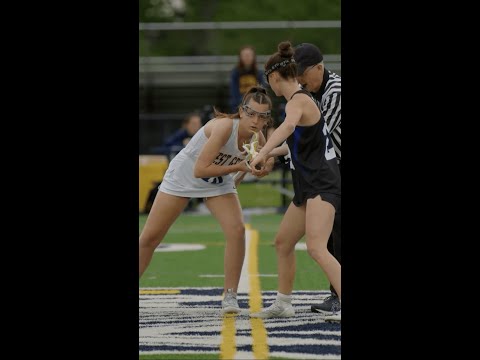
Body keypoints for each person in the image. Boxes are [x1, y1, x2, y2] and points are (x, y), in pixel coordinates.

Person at [139, 86, 275, 313]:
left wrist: (260, 168)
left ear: (266, 120)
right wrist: (240, 166)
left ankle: (230, 296)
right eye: (251, 113)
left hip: (219, 181)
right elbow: (200, 170)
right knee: (150, 238)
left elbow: (255, 165)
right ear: (241, 111)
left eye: (262, 116)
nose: (255, 120)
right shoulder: (223, 128)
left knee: (237, 230)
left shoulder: (257, 137)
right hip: (185, 175)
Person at [248, 41, 341, 322]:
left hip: (323, 184)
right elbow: (292, 143)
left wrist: (263, 152)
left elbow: (288, 127)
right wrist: (264, 154)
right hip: (307, 185)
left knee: (316, 247)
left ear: (275, 78)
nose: (270, 87)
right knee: (283, 242)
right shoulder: (298, 102)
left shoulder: (299, 101)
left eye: (269, 81)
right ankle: (283, 303)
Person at [293, 43, 342, 316]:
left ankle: (337, 295)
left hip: (335, 167)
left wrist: (276, 153)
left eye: (303, 73)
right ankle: (335, 294)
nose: (300, 79)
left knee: (336, 232)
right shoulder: (310, 91)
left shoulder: (335, 90)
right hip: (333, 167)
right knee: (333, 232)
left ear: (319, 68)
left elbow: (318, 134)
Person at [229, 45, 265, 112]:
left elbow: (262, 92)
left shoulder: (258, 73)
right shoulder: (235, 73)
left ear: (254, 57)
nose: (247, 57)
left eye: (249, 55)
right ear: (240, 57)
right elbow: (234, 93)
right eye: (245, 55)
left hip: (256, 104)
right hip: (240, 105)